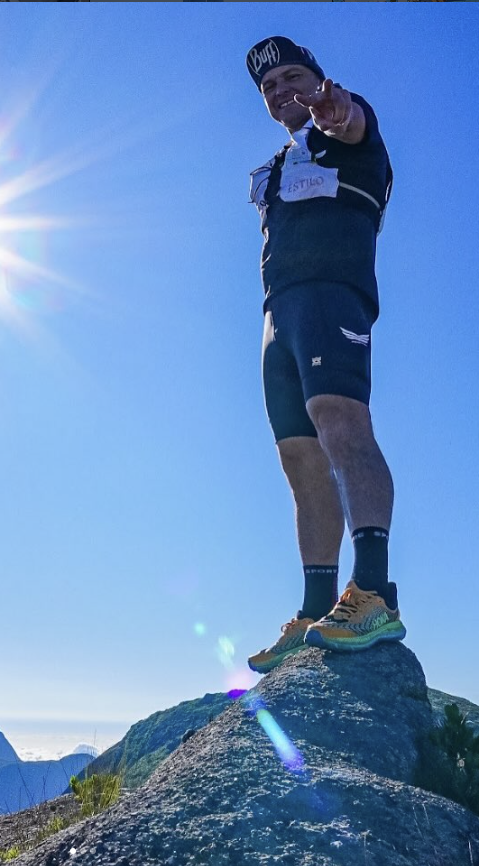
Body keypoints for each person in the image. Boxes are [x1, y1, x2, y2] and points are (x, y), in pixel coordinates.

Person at [243, 37, 405, 674]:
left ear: (318, 78)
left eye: (292, 76)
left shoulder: (350, 130)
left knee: (343, 427)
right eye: (269, 88)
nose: (282, 90)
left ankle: (375, 596)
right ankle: (316, 607)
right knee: (299, 457)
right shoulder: (279, 164)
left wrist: (335, 109)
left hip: (336, 297)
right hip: (278, 314)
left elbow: (351, 118)